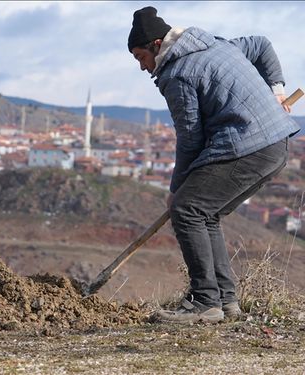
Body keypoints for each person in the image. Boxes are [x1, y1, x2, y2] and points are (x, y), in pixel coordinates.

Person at [128, 7, 300, 323]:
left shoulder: (177, 74)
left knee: (188, 209)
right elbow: (261, 44)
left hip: (247, 146)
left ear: (156, 45)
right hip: (275, 145)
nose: (142, 67)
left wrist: (176, 189)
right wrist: (277, 90)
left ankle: (204, 302)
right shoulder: (217, 45)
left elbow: (190, 137)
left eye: (141, 57)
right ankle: (225, 301)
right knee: (206, 214)